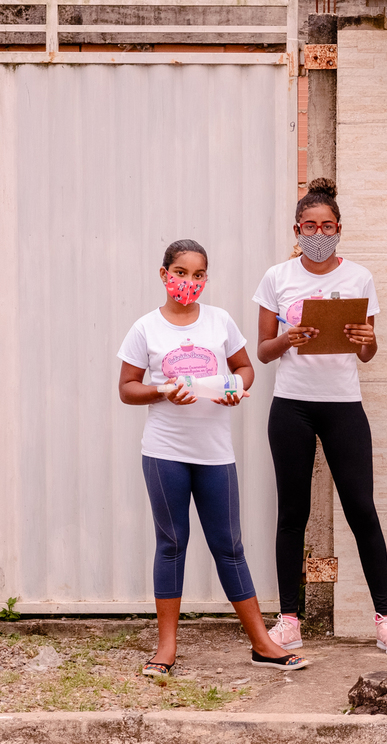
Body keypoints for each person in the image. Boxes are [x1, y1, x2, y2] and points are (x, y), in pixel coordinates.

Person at [118, 239, 309, 674]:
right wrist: (162, 390)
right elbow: (127, 388)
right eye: (181, 272)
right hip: (164, 451)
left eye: (198, 274)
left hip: (215, 454)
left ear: (206, 279)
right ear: (163, 273)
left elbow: (246, 368)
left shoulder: (220, 321)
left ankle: (262, 643)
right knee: (171, 545)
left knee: (230, 546)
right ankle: (166, 648)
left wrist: (235, 389)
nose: (189, 282)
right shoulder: (145, 328)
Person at [254, 178, 387, 656]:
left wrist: (365, 340)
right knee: (292, 514)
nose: (318, 232)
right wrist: (290, 337)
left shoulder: (359, 277)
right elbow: (263, 351)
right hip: (292, 406)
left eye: (327, 225)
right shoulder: (277, 278)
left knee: (362, 509)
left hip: (344, 405)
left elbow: (368, 350)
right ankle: (288, 621)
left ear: (339, 229)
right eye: (310, 225)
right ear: (297, 229)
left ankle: (386, 621)